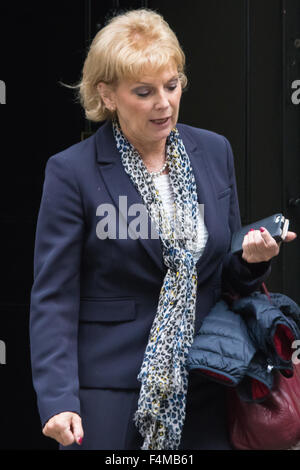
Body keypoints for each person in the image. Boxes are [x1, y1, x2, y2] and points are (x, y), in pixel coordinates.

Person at [29, 8, 297, 450]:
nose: (164, 103)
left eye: (171, 86)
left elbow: (222, 277)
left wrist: (250, 260)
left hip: (207, 383)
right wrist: (58, 399)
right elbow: (53, 296)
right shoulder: (71, 173)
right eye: (144, 91)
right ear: (108, 95)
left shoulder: (213, 151)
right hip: (109, 396)